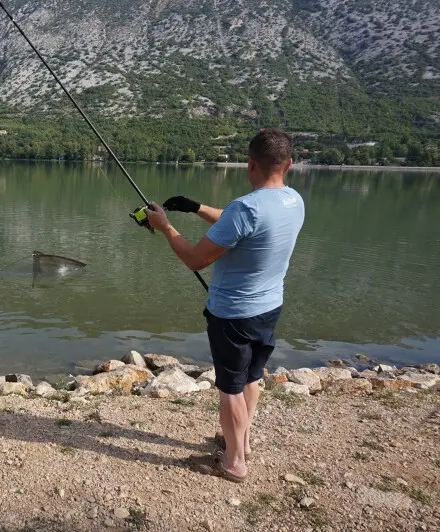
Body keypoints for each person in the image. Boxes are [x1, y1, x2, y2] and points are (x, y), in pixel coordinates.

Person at [144, 128, 305, 483]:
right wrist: (196, 207)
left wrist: (166, 226)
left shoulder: (246, 208)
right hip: (269, 307)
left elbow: (195, 259)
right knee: (251, 377)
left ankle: (233, 463)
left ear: (250, 163)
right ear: (289, 164)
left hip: (234, 314)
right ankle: (242, 443)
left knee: (230, 387)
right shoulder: (294, 200)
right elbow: (241, 225)